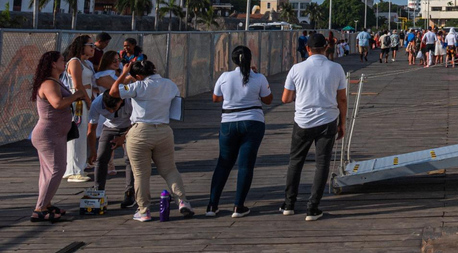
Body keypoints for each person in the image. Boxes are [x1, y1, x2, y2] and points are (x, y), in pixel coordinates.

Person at [110, 61, 195, 221]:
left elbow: (114, 92)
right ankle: (183, 202)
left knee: (141, 174)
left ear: (139, 76)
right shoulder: (169, 84)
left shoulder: (139, 86)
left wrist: (124, 75)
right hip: (163, 130)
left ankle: (144, 211)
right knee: (170, 170)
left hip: (140, 131)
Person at [280, 33, 347, 221]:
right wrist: (342, 123)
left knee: (295, 161)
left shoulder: (296, 68)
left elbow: (285, 98)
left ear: (307, 49)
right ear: (326, 47)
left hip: (302, 121)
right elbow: (341, 98)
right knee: (322, 163)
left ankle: (289, 204)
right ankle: (313, 207)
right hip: (328, 120)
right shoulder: (336, 68)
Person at [208, 46, 273, 218]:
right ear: (250, 60)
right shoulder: (258, 77)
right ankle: (238, 206)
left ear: (233, 60)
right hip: (253, 122)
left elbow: (216, 98)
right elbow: (268, 100)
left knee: (223, 164)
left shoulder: (224, 77)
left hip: (228, 123)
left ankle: (212, 206)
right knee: (245, 165)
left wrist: (232, 96)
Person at [30, 51, 87, 222]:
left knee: (48, 172)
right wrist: (77, 95)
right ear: (53, 64)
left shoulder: (56, 81)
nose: (65, 63)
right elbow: (57, 103)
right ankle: (39, 208)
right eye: (62, 60)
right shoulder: (48, 83)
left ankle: (46, 204)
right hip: (48, 134)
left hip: (56, 133)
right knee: (57, 169)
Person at [63, 35, 95, 183]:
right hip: (79, 102)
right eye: (90, 45)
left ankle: (79, 167)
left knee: (82, 134)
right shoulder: (75, 62)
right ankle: (73, 170)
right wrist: (88, 100)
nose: (92, 48)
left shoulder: (86, 63)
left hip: (86, 99)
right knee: (77, 134)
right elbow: (77, 85)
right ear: (82, 46)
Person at [87, 92, 133, 196]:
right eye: (107, 109)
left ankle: (130, 192)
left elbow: (137, 122)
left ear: (121, 101)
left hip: (130, 126)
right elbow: (91, 129)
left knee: (129, 159)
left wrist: (123, 138)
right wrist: (92, 150)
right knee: (101, 158)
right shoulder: (97, 103)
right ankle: (98, 191)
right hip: (109, 127)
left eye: (114, 108)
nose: (111, 111)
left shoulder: (130, 101)